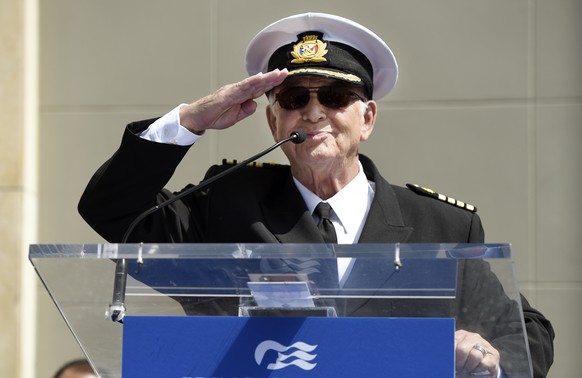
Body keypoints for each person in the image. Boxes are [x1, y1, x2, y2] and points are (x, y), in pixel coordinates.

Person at [78, 12, 554, 377]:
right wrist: (191, 121)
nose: (313, 112)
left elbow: (527, 333)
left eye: (334, 97)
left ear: (366, 118)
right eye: (294, 98)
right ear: (273, 120)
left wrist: (487, 359)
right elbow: (114, 209)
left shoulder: (441, 225)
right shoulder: (226, 205)